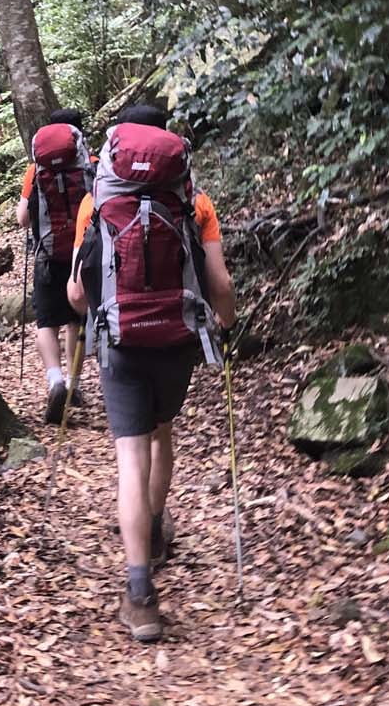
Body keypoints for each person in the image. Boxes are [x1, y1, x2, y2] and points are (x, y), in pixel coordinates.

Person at [67, 103, 235, 642]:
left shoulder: (97, 200)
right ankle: (158, 531)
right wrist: (224, 326)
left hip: (121, 345)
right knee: (163, 436)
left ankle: (140, 597)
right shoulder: (194, 200)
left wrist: (97, 312)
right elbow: (220, 285)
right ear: (169, 144)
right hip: (177, 343)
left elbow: (75, 292)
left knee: (129, 459)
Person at [16, 108, 94, 424]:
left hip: (48, 256)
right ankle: (74, 386)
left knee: (46, 322)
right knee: (76, 318)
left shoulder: (36, 170)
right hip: (82, 256)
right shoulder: (92, 165)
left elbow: (22, 218)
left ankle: (55, 381)